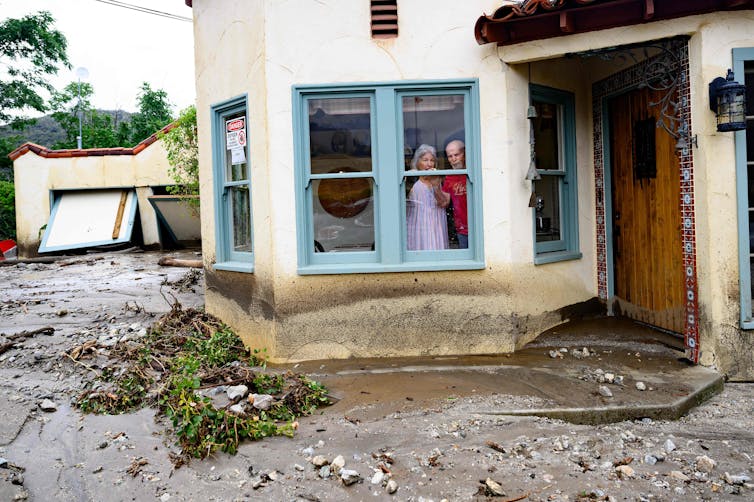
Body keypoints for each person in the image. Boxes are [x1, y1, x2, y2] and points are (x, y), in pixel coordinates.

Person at [406, 144, 450, 250]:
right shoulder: (413, 180)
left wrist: (435, 185)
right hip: (419, 224)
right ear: (417, 162)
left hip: (436, 223)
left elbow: (444, 203)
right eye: (425, 160)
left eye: (432, 160)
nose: (429, 164)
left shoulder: (438, 180)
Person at [442, 140, 469, 249]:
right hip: (461, 227)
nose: (453, 159)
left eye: (456, 155)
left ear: (464, 154)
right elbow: (445, 202)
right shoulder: (449, 177)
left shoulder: (472, 172)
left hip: (479, 225)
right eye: (450, 156)